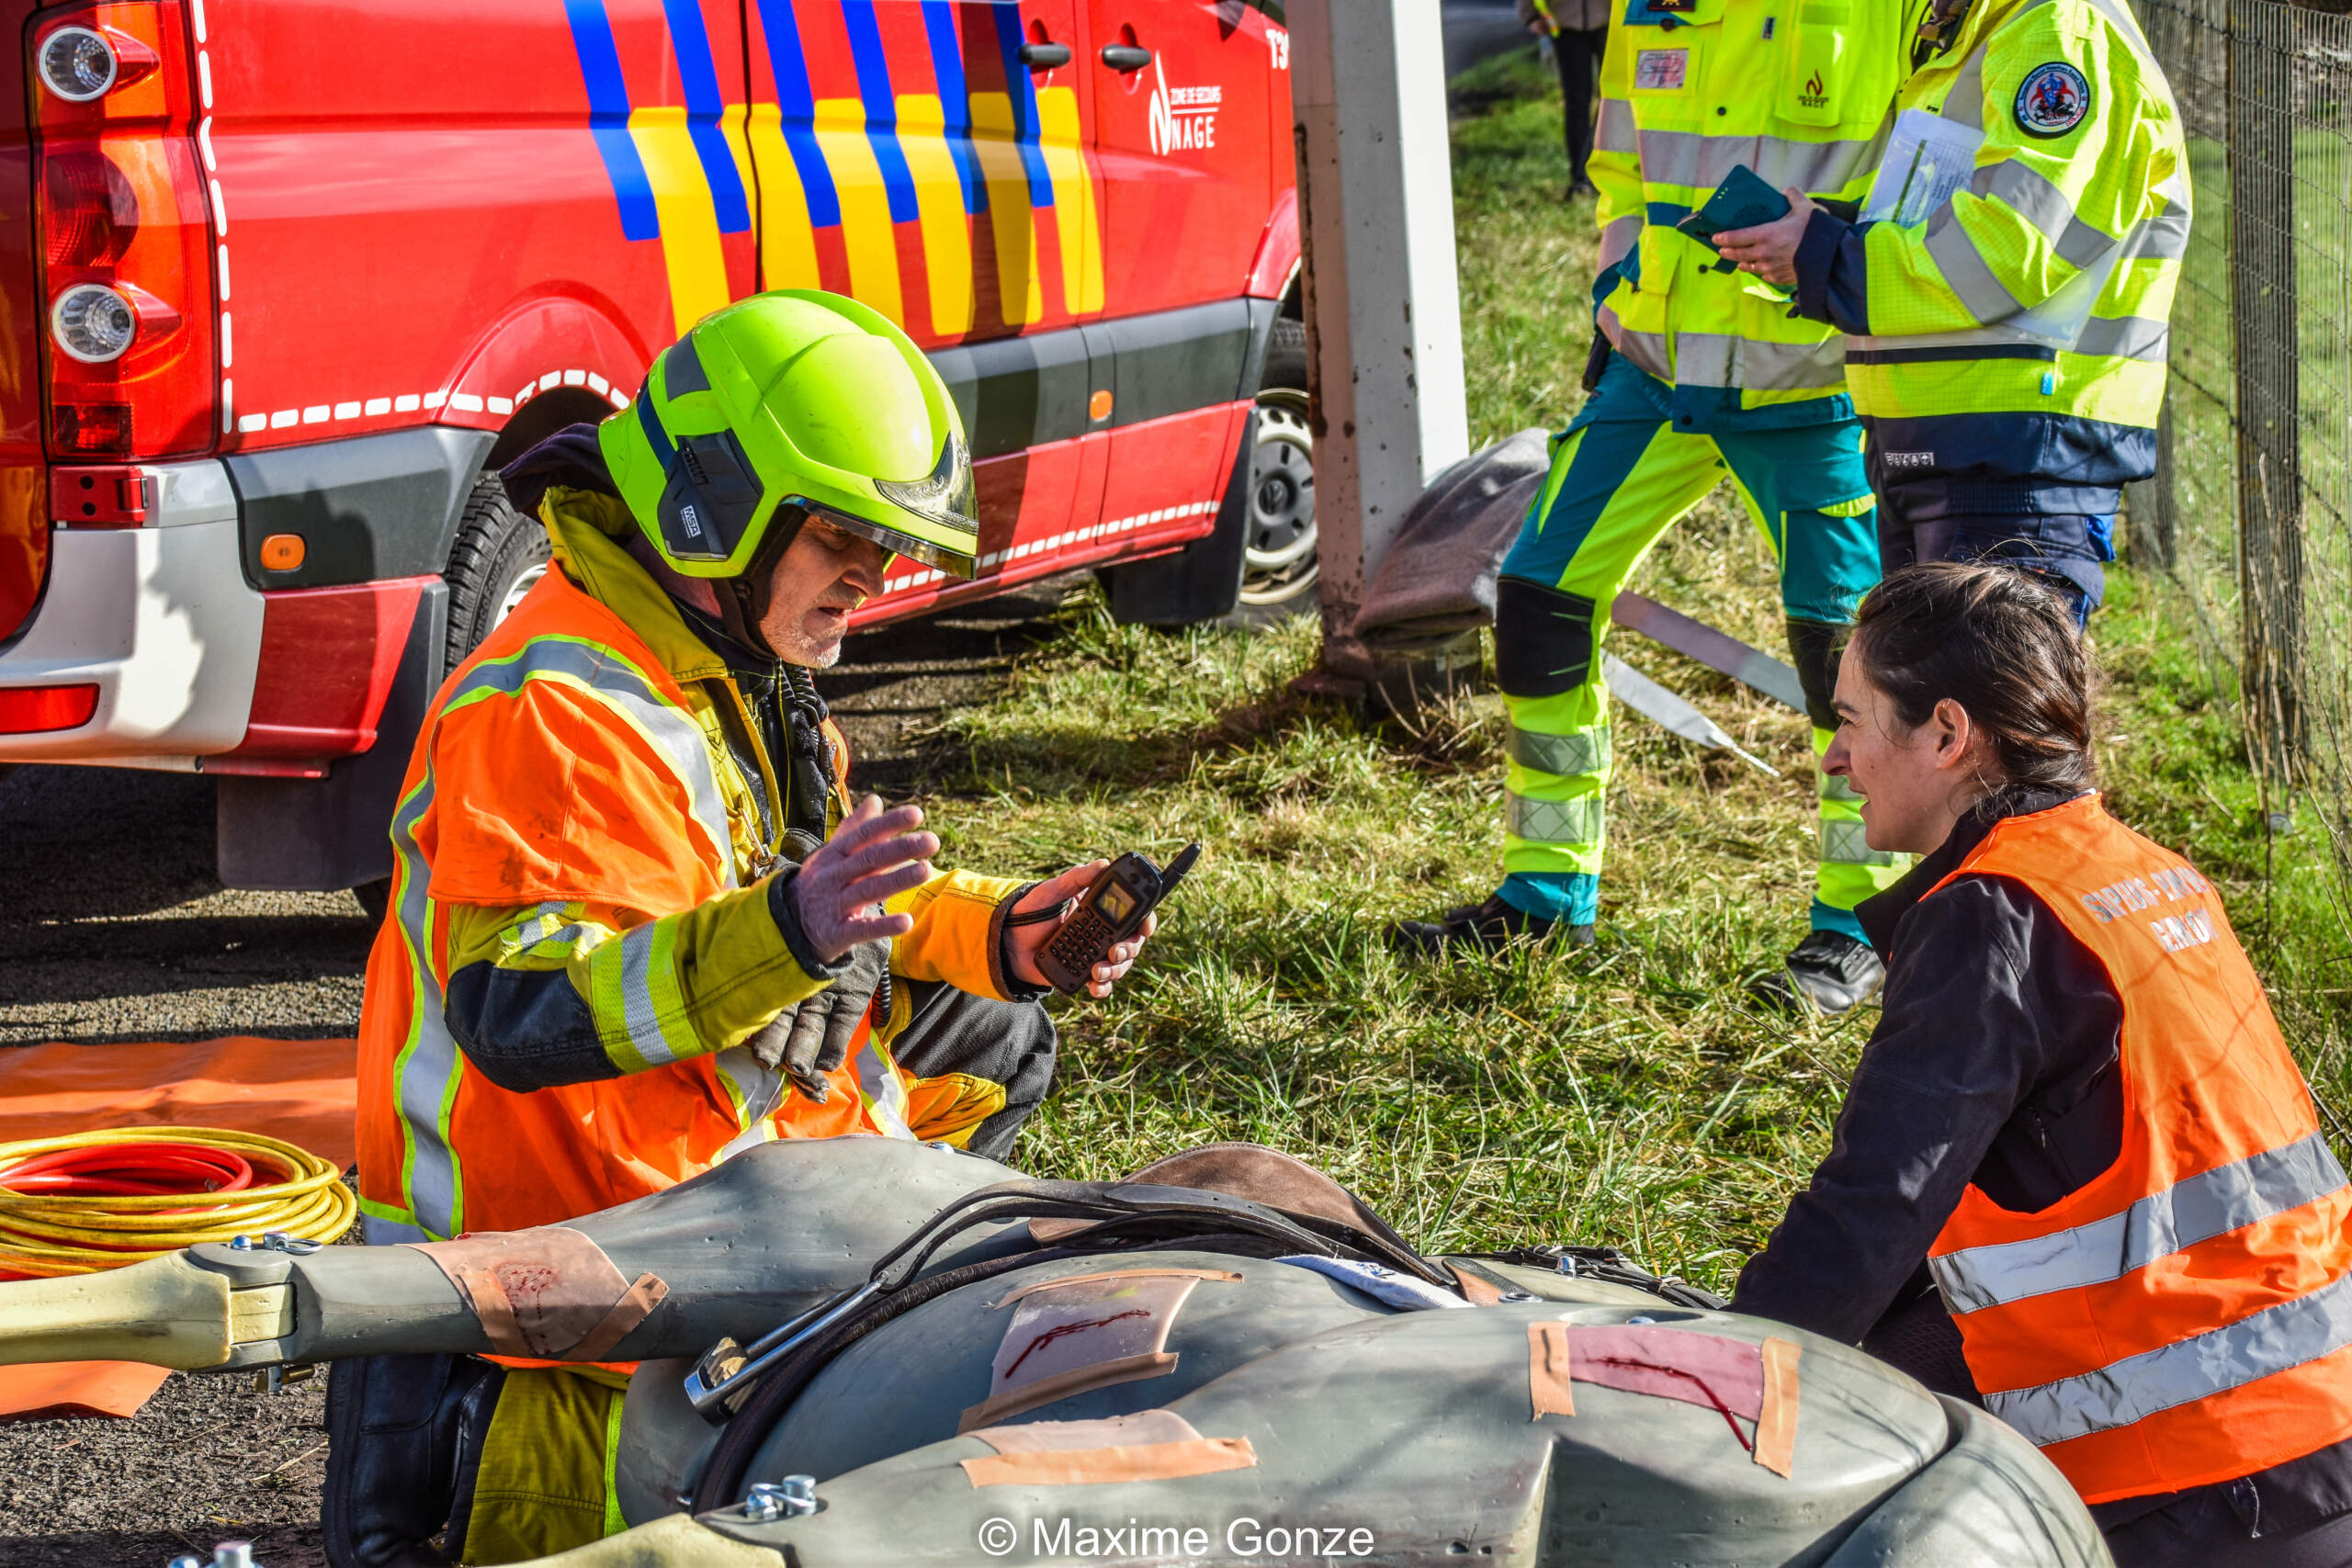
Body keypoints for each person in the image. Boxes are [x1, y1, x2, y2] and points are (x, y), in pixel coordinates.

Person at [332, 289, 1155, 1567]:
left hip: (709, 1231)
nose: (868, 584)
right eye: (843, 540)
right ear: (714, 510)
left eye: (885, 551)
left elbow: (821, 893)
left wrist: (1006, 931)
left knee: (999, 1027)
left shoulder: (732, 672)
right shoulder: (552, 703)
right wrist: (789, 926)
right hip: (541, 1309)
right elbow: (528, 1015)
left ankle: (842, 1319)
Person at [1732, 563, 2352, 1567]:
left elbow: (1869, 1213)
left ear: (1945, 733)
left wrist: (1694, 1374)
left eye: (1851, 720)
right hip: (2313, 1423)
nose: (1837, 758)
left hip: (2200, 1482)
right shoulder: (2141, 871)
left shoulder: (1990, 916)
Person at [1394, 0, 1918, 1017]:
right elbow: (1624, 178)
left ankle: (1862, 924)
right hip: (1654, 370)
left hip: (1813, 385)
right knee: (1540, 596)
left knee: (1845, 654)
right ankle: (1545, 895)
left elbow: (1926, 172)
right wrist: (1613, 294)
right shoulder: (1649, 10)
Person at [1713, 0, 2188, 625]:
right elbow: (1944, 223)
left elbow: (2008, 249)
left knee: (1984, 715)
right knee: (1931, 706)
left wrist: (1825, 256)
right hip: (1944, 443)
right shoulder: (1976, 35)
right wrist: (1825, 235)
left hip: (2013, 455)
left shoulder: (2059, 30)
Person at [1518, 0, 1610, 199]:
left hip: (1612, 20)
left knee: (1612, 103)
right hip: (1565, 22)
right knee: (1577, 104)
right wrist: (1530, 14)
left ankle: (1609, 175)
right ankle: (1581, 178)